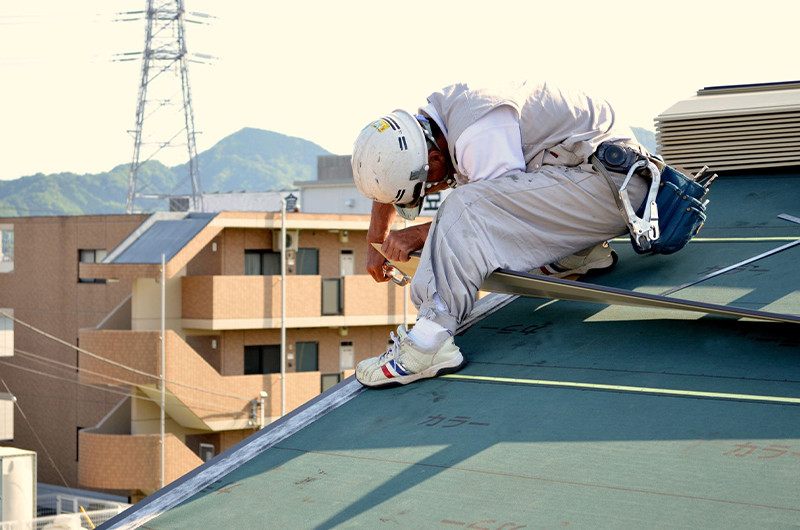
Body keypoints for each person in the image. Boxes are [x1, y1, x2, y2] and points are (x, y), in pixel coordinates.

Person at [351, 81, 649, 388]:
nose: (433, 191)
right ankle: (579, 252)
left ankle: (429, 342)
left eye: (427, 188)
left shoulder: (477, 136)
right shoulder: (438, 119)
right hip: (598, 179)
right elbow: (396, 167)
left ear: (436, 161)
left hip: (617, 189)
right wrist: (375, 239)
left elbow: (490, 217)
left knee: (464, 205)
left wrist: (422, 234)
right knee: (471, 202)